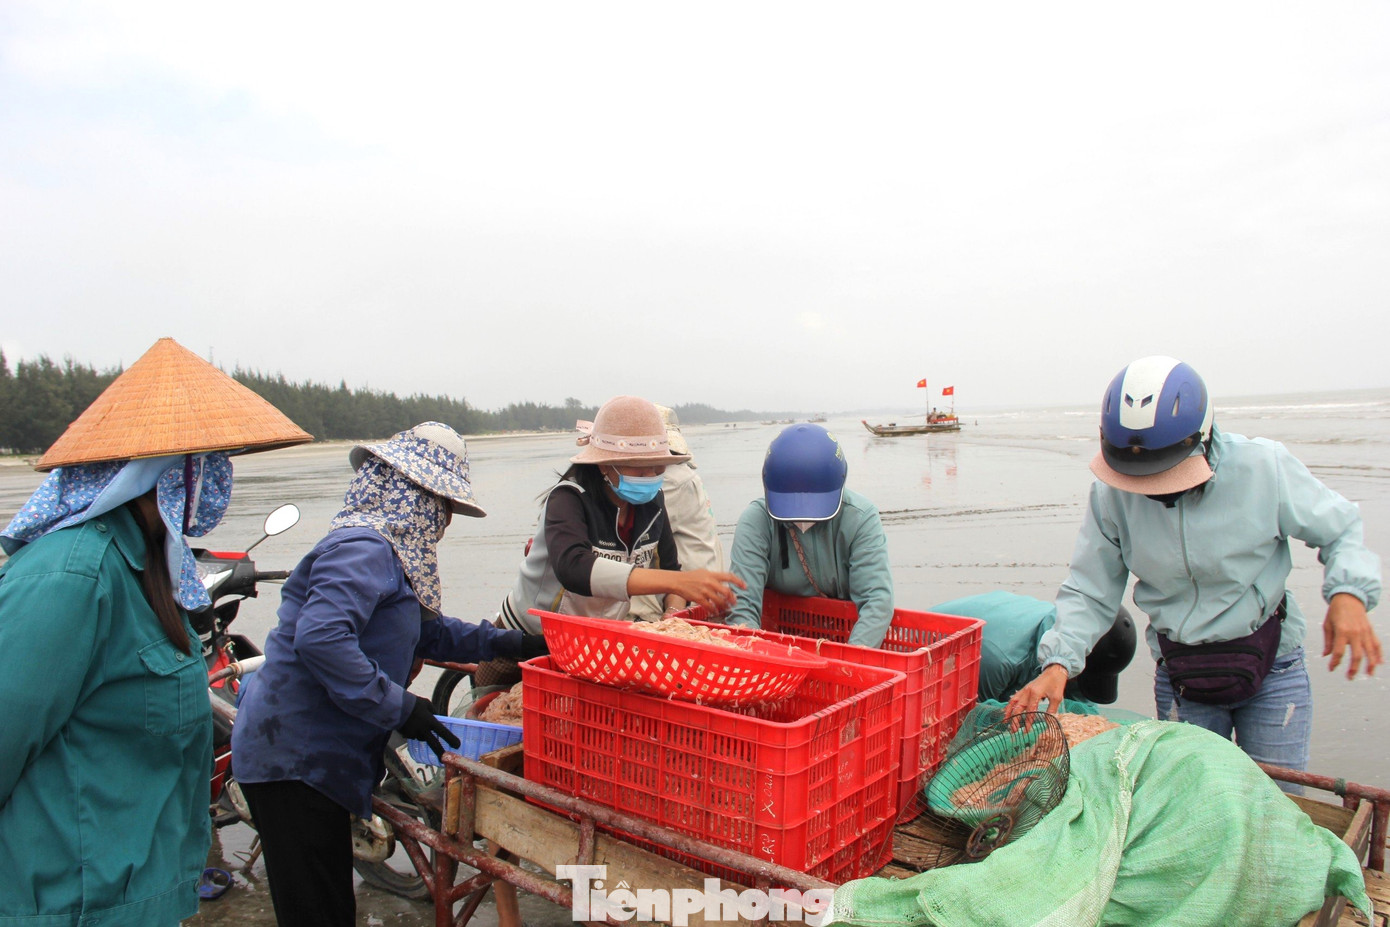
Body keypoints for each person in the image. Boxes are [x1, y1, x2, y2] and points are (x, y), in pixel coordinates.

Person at [0, 337, 311, 925]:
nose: (220, 478)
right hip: (72, 903)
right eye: (209, 463)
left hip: (142, 897)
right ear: (167, 474)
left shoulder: (147, 569)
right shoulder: (70, 578)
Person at [229, 422, 547, 926]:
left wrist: (520, 643)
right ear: (412, 494)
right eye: (441, 505)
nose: (443, 520)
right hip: (294, 756)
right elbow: (321, 639)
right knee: (316, 910)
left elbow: (429, 633)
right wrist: (402, 707)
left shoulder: (389, 559)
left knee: (329, 901)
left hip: (325, 759)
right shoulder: (364, 548)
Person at [1007, 356, 1383, 777]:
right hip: (1180, 672)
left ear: (1201, 439)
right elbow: (1090, 589)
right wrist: (1059, 662)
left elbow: (1341, 530)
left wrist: (1348, 595)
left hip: (1272, 663)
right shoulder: (1110, 495)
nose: (1149, 488)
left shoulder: (1264, 467)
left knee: (1278, 801)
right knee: (1190, 797)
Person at [496, 395, 744, 636]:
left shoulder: (653, 503)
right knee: (491, 677)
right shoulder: (569, 498)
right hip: (529, 632)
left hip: (590, 638)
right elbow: (573, 568)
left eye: (659, 469)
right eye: (641, 470)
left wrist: (672, 614)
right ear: (605, 465)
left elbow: (670, 568)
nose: (652, 478)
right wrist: (676, 582)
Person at [726, 423, 894, 646]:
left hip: (844, 637)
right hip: (779, 638)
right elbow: (742, 605)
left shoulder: (861, 518)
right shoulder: (757, 520)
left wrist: (849, 665)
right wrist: (757, 657)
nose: (803, 519)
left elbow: (877, 602)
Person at [930, 590, 1136, 703]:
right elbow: (971, 721)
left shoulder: (1066, 626)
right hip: (930, 660)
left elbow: (1079, 701)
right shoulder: (1000, 660)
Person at [629, 404, 725, 621]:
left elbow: (631, 528)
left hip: (690, 593)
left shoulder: (669, 480)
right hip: (705, 588)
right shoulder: (686, 473)